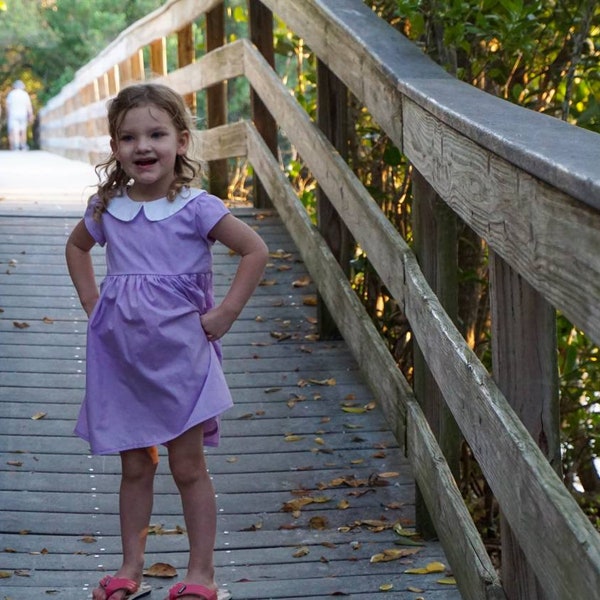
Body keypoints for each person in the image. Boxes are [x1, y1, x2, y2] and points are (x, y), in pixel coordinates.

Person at [65, 83, 269, 600]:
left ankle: (201, 574)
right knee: (135, 466)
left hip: (181, 359)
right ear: (115, 149)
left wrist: (225, 313)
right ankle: (129, 568)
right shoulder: (108, 207)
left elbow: (255, 250)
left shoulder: (196, 208)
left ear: (180, 141)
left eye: (156, 134)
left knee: (187, 465)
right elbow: (76, 247)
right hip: (121, 359)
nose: (143, 146)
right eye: (129, 137)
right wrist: (94, 307)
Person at [5, 80, 34, 150]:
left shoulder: (11, 94)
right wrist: (30, 115)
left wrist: (7, 114)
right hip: (23, 114)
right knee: (23, 130)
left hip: (13, 114)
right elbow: (28, 106)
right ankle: (23, 145)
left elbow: (7, 106)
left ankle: (16, 145)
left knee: (15, 130)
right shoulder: (25, 94)